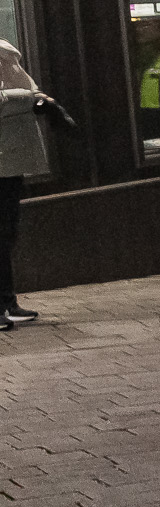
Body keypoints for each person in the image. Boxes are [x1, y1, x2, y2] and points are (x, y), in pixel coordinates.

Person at [0, 41, 54, 329]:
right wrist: (26, 97)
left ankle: (7, 302)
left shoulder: (3, 51)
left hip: (9, 162)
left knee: (5, 235)